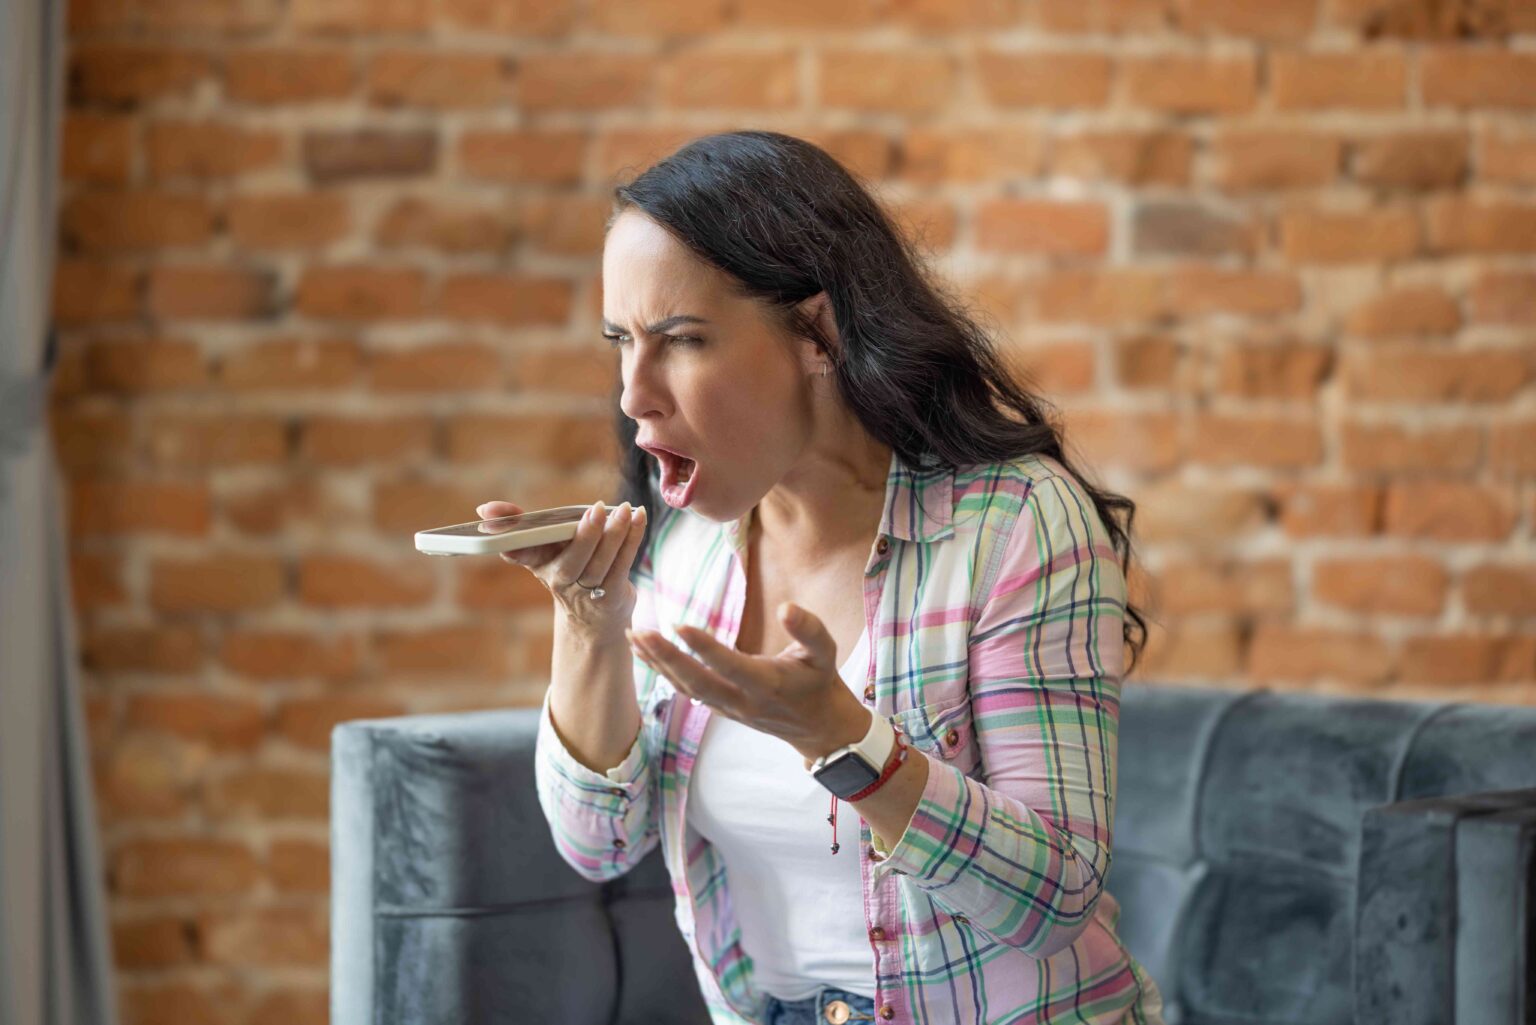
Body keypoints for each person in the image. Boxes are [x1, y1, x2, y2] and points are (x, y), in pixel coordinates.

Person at [481, 130, 1167, 1025]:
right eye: (621, 340)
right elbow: (597, 843)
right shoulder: (683, 548)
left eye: (681, 340)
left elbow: (1053, 902)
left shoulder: (1013, 526)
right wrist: (587, 616)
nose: (633, 392)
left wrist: (841, 738)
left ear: (818, 330)